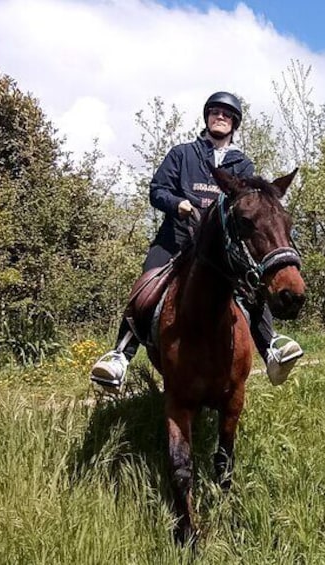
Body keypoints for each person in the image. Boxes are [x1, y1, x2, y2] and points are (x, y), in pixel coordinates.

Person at [90, 91, 303, 390]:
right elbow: (157, 190)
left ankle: (270, 348)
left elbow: (249, 204)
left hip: (219, 249)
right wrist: (177, 203)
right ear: (207, 117)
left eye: (227, 115)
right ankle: (119, 356)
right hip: (176, 240)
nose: (221, 117)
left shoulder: (242, 164)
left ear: (234, 123)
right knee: (146, 284)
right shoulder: (182, 154)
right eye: (215, 112)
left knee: (253, 283)